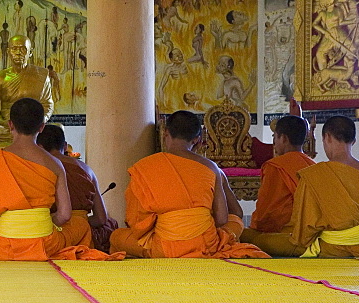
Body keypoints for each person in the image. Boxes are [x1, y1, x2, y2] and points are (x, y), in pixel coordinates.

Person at [0, 99, 116, 261]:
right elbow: (65, 215)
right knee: (81, 225)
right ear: (41, 127)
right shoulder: (55, 164)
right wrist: (46, 222)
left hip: (4, 247)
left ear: (10, 125)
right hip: (46, 244)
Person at [109, 110, 267, 259]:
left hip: (164, 248)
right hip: (206, 244)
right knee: (236, 222)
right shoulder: (210, 167)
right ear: (197, 139)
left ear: (166, 134)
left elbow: (136, 221)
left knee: (117, 236)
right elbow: (221, 219)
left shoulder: (145, 166)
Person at [261, 116, 359, 257]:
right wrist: (353, 232)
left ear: (327, 137)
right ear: (353, 141)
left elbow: (305, 233)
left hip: (329, 247)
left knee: (259, 240)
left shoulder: (314, 175)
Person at [240, 115, 315, 254]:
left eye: (275, 137)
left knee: (241, 235)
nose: (274, 142)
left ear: (284, 138)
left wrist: (255, 228)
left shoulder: (275, 166)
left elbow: (267, 212)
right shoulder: (313, 166)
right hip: (315, 235)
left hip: (289, 237)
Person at [37, 124, 118, 251]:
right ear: (65, 146)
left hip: (52, 231)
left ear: (39, 147)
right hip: (83, 233)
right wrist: (81, 222)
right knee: (111, 225)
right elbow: (101, 218)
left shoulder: (39, 169)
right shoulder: (86, 169)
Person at [0, 35, 53, 142]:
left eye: (23, 49)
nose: (18, 53)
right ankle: (27, 140)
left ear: (30, 52)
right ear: (8, 52)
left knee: (57, 130)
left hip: (33, 127)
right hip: (9, 126)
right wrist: (3, 122)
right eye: (14, 49)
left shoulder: (42, 75)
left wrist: (39, 122)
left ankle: (25, 138)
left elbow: (48, 104)